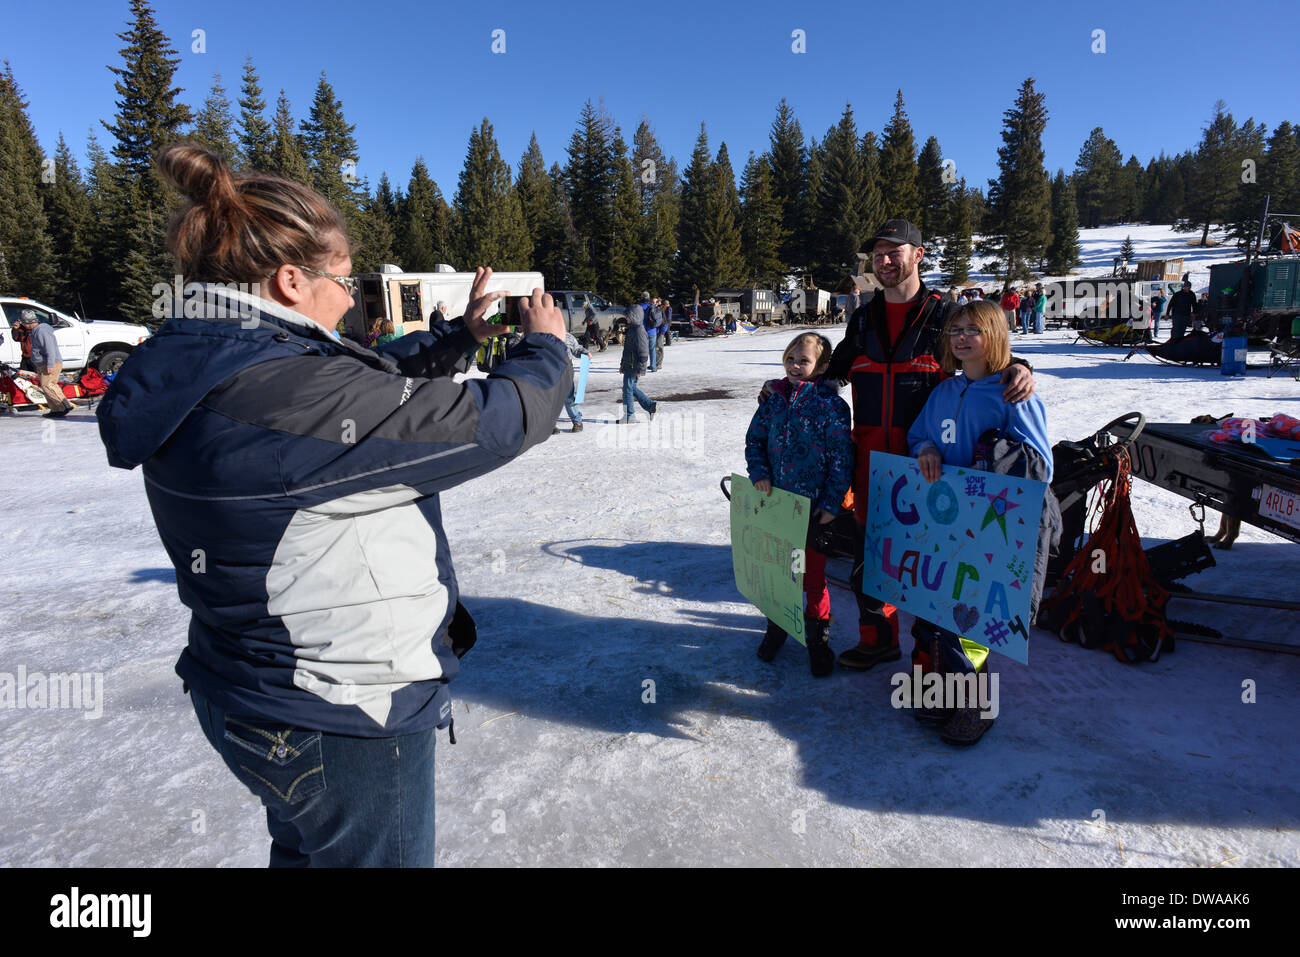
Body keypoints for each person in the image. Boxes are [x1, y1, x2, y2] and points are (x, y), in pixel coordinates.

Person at [96, 144, 570, 868]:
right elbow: (501, 418)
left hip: (250, 690)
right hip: (338, 713)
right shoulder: (284, 392)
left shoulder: (206, 361)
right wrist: (545, 350)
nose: (353, 299)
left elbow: (361, 387)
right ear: (291, 279)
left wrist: (459, 336)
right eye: (344, 280)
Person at [826, 218, 1034, 674]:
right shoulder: (862, 319)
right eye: (877, 254)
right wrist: (782, 388)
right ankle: (876, 639)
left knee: (931, 563)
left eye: (893, 252)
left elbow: (984, 347)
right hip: (873, 465)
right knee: (872, 558)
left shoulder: (944, 315)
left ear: (918, 254)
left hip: (934, 467)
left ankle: (931, 660)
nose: (883, 261)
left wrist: (1018, 365)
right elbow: (830, 375)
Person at [907, 299, 1056, 745]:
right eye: (956, 330)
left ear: (995, 336)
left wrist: (993, 456)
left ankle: (978, 703)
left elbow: (1040, 466)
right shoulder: (943, 392)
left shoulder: (1014, 393)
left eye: (974, 330)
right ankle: (943, 693)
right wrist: (925, 450)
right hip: (947, 522)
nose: (963, 338)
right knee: (937, 609)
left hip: (994, 528)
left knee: (974, 618)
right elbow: (921, 434)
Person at [746, 333, 854, 676]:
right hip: (777, 505)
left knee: (813, 578)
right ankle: (777, 627)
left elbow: (841, 458)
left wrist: (832, 502)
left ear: (822, 367)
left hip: (813, 510)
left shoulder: (832, 406)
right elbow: (755, 441)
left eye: (804, 360)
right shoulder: (773, 400)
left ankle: (817, 637)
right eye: (791, 357)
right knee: (779, 573)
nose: (795, 365)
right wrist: (760, 473)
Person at [17, 310, 73, 417]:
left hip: (49, 363)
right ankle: (55, 409)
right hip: (42, 363)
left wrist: (50, 364)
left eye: (23, 324)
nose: (23, 326)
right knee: (45, 386)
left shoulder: (42, 331)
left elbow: (50, 348)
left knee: (48, 385)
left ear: (28, 322)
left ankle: (64, 405)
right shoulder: (35, 331)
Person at [619, 299, 656, 423]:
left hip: (634, 366)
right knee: (630, 389)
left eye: (628, 316)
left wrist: (641, 368)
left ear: (634, 316)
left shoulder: (639, 331)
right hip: (629, 364)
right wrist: (622, 364)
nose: (626, 318)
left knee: (628, 390)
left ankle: (630, 416)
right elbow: (627, 349)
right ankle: (650, 406)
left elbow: (644, 352)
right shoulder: (632, 329)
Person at [556, 331, 588, 433]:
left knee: (569, 398)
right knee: (551, 400)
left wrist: (585, 353)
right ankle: (551, 424)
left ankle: (577, 421)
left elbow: (577, 349)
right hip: (548, 371)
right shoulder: (541, 336)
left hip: (566, 371)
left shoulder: (567, 336)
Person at [1167, 275, 1196, 340]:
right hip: (1177, 314)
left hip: (1186, 314)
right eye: (1186, 287)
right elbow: (1170, 304)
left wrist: (1194, 312)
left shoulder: (1192, 294)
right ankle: (1173, 341)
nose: (1188, 288)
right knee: (1176, 329)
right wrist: (1167, 313)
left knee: (1182, 330)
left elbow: (1194, 304)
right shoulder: (1178, 294)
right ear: (1184, 287)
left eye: (1189, 287)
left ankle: (1179, 342)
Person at [641, 292, 661, 373]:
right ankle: (653, 366)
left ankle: (642, 367)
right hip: (652, 331)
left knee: (643, 350)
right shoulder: (652, 306)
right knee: (652, 349)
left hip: (643, 331)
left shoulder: (640, 306)